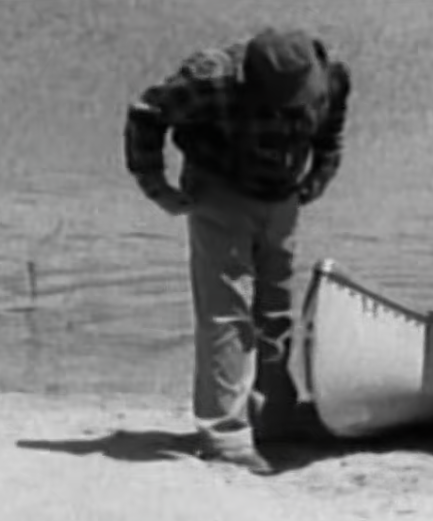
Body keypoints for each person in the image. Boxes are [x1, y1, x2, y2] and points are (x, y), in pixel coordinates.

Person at [124, 28, 351, 475]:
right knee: (227, 314)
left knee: (276, 312)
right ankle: (226, 436)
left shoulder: (332, 75)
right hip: (218, 190)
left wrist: (318, 178)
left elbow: (331, 135)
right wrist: (156, 185)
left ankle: (274, 416)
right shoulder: (210, 78)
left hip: (282, 195)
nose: (294, 106)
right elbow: (147, 112)